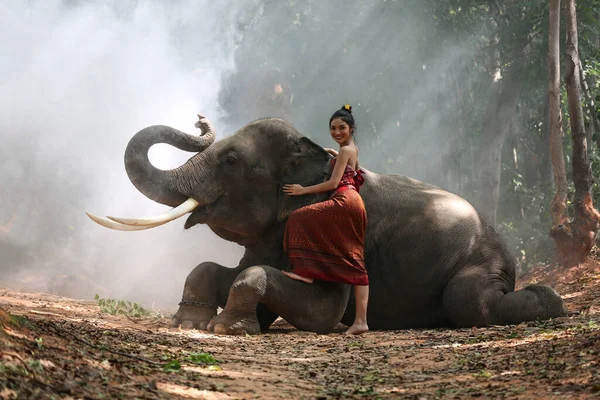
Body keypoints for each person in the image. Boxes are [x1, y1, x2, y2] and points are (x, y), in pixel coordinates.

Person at [282, 104, 369, 335]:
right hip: (354, 202)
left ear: (351, 128)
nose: (337, 132)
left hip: (344, 200)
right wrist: (334, 155)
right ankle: (361, 322)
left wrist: (302, 190)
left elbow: (333, 183)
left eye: (342, 128)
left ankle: (306, 270)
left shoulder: (346, 150)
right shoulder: (351, 149)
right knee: (356, 260)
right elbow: (355, 172)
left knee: (298, 218)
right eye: (333, 128)